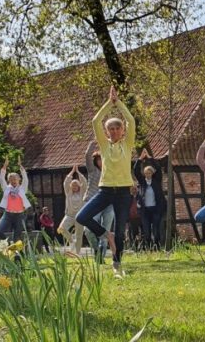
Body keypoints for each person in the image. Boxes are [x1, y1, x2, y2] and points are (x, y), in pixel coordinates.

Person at [76, 85, 135, 277]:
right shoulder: (103, 144)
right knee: (82, 217)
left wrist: (120, 104)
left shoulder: (127, 144)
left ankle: (117, 265)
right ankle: (104, 234)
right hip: (106, 190)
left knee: (120, 231)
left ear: (123, 130)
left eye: (118, 128)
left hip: (124, 192)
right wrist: (109, 104)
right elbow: (95, 121)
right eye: (111, 128)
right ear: (107, 132)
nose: (115, 131)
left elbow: (131, 120)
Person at [83, 141, 115, 262]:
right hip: (93, 202)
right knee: (88, 230)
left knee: (105, 231)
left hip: (108, 204)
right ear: (96, 161)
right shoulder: (93, 171)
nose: (101, 162)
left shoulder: (111, 172)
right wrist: (93, 143)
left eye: (103, 159)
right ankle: (96, 249)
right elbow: (87, 155)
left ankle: (100, 257)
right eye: (99, 160)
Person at [133, 150, 166, 250]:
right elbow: (135, 171)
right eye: (146, 173)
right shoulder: (142, 182)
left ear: (152, 173)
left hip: (155, 209)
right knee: (147, 231)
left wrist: (150, 158)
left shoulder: (156, 181)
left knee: (156, 230)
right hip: (145, 210)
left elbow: (159, 169)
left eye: (149, 172)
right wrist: (139, 159)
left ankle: (157, 247)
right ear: (144, 173)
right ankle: (148, 248)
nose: (148, 174)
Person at [0, 157, 31, 243]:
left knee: (17, 238)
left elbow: (26, 179)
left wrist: (20, 166)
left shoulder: (22, 189)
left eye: (15, 179)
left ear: (19, 180)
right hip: (7, 215)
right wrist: (5, 166)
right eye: (11, 179)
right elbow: (1, 179)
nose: (13, 181)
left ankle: (17, 254)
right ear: (9, 181)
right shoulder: (6, 189)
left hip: (19, 216)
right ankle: (6, 243)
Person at [57, 166, 88, 254]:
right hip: (69, 215)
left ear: (79, 186)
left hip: (80, 216)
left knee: (79, 235)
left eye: (76, 185)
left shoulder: (82, 193)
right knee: (61, 229)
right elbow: (65, 182)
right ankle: (71, 240)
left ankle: (76, 253)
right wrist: (72, 172)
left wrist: (78, 172)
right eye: (73, 185)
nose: (74, 187)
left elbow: (84, 183)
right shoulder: (68, 192)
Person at [126, 184, 142, 250]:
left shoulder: (140, 197)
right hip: (131, 218)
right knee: (133, 233)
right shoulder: (128, 198)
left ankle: (143, 246)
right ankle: (135, 247)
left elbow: (142, 206)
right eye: (132, 189)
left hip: (139, 217)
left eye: (135, 189)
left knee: (142, 232)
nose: (134, 191)